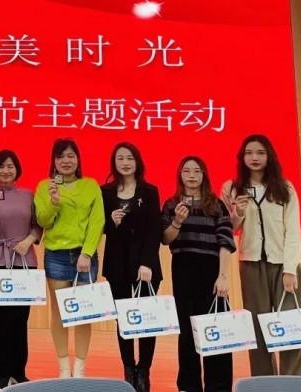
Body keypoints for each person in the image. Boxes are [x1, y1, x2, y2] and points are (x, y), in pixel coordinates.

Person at [222, 134, 301, 376]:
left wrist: (290, 269)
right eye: (249, 153)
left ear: (269, 156)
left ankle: (294, 382)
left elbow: (293, 230)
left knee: (291, 326)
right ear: (242, 157)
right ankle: (263, 381)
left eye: (260, 152)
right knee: (257, 327)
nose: (255, 157)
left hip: (283, 265)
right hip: (251, 265)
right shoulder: (231, 188)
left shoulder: (284, 187)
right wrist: (238, 213)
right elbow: (228, 229)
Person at [161, 156, 235, 392]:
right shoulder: (171, 204)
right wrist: (177, 221)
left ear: (204, 175)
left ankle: (219, 387)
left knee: (217, 329)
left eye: (197, 171)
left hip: (211, 270)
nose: (191, 176)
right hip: (183, 269)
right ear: (180, 175)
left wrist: (223, 276)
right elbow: (165, 239)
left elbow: (225, 242)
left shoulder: (216, 205)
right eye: (186, 171)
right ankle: (188, 386)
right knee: (187, 332)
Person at [34, 138, 104, 378]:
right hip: (56, 255)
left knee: (84, 313)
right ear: (54, 161)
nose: (66, 161)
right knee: (59, 313)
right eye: (61, 156)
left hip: (85, 256)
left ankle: (80, 368)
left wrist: (87, 252)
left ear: (78, 160)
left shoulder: (90, 185)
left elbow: (97, 221)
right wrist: (54, 203)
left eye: (71, 156)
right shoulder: (45, 186)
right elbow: (42, 221)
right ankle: (63, 367)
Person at [101, 142, 162, 392]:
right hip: (117, 265)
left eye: (129, 158)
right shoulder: (105, 191)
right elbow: (100, 227)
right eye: (120, 158)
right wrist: (111, 223)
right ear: (114, 163)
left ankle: (144, 371)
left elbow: (154, 229)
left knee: (147, 320)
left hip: (145, 266)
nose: (125, 163)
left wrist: (147, 262)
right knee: (124, 321)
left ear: (137, 161)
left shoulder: (150, 191)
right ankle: (128, 369)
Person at [0, 149, 41, 391]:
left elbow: (37, 225)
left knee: (20, 318)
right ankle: (2, 373)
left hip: (24, 261)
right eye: (1, 166)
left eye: (10, 166)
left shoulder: (28, 195)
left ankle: (19, 371)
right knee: (0, 318)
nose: (6, 170)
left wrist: (29, 240)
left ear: (17, 170)